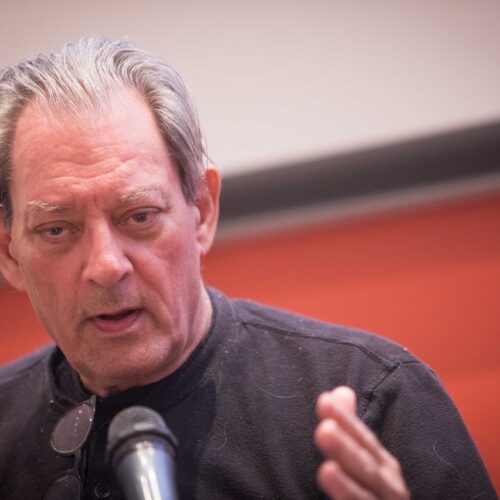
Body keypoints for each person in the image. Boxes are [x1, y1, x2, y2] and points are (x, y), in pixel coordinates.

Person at [0, 37, 495, 500]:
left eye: (139, 216)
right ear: (9, 253)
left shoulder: (373, 401)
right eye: (56, 230)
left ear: (202, 212)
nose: (107, 266)